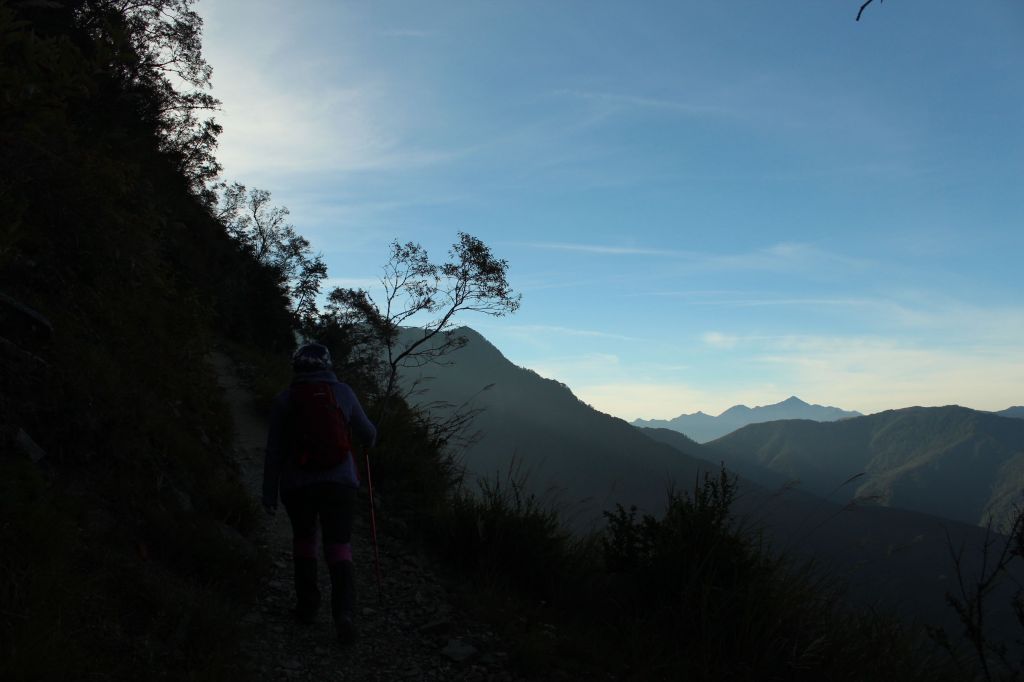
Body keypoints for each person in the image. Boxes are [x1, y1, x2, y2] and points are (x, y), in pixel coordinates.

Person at [263, 342, 377, 644]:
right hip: (339, 483)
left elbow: (273, 452)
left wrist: (269, 495)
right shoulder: (344, 393)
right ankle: (344, 614)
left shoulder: (285, 400)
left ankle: (307, 607)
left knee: (304, 541)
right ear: (328, 366)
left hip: (297, 485)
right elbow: (368, 433)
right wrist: (367, 441)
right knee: (339, 546)